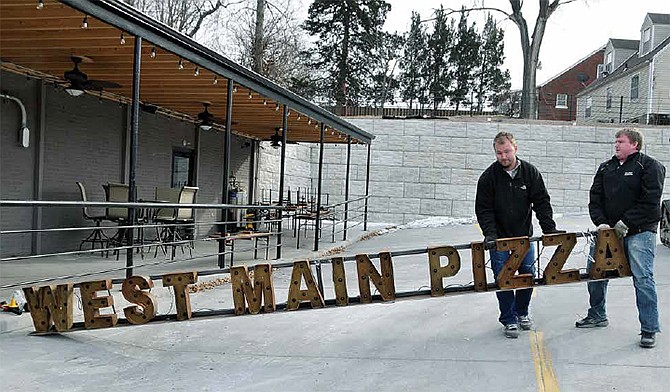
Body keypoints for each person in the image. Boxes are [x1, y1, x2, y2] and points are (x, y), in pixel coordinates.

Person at [576, 128, 666, 349]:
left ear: (634, 144)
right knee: (595, 275)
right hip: (609, 233)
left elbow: (651, 200)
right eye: (615, 141)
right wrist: (602, 223)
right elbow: (594, 199)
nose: (616, 145)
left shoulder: (650, 166)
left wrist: (626, 222)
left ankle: (649, 329)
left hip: (640, 233)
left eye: (620, 141)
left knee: (643, 279)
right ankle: (597, 315)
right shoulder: (606, 167)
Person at [475, 131, 560, 339]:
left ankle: (522, 312)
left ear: (515, 149)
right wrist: (491, 235)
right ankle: (509, 319)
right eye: (499, 153)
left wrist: (549, 229)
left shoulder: (530, 173)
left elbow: (542, 202)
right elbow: (483, 210)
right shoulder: (488, 178)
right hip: (500, 239)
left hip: (524, 238)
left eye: (506, 152)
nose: (503, 157)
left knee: (527, 276)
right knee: (502, 279)